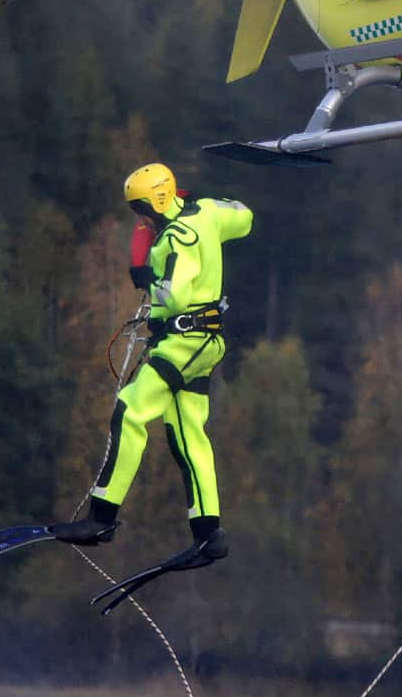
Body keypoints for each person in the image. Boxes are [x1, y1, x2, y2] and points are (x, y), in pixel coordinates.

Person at [43, 163, 251, 596]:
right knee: (188, 434)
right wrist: (201, 205)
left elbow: (173, 294)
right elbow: (244, 217)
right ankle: (209, 534)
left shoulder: (173, 239)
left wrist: (146, 275)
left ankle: (102, 518)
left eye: (142, 210)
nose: (141, 220)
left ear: (156, 201)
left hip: (182, 343)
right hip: (207, 342)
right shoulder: (206, 213)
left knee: (131, 410)